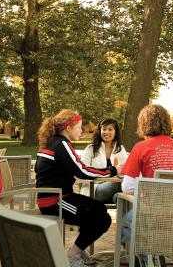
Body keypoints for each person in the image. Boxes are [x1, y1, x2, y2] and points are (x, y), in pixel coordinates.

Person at [34, 109, 117, 267]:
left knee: (97, 209)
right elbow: (82, 171)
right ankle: (71, 257)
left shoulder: (53, 142)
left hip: (57, 197)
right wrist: (112, 171)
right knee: (101, 218)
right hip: (55, 201)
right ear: (68, 127)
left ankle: (77, 252)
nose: (81, 130)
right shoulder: (62, 144)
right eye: (79, 126)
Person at [120, 104, 173, 265]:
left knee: (125, 221)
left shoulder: (140, 147)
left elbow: (126, 188)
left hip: (152, 212)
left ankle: (147, 258)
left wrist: (144, 184)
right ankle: (153, 253)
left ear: (143, 124)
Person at [81, 118, 128, 203]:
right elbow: (82, 170)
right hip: (94, 189)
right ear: (100, 131)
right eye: (104, 129)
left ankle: (120, 203)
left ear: (115, 132)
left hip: (114, 190)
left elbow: (126, 170)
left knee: (123, 197)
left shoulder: (120, 149)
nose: (106, 132)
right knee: (119, 184)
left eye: (110, 129)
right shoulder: (91, 149)